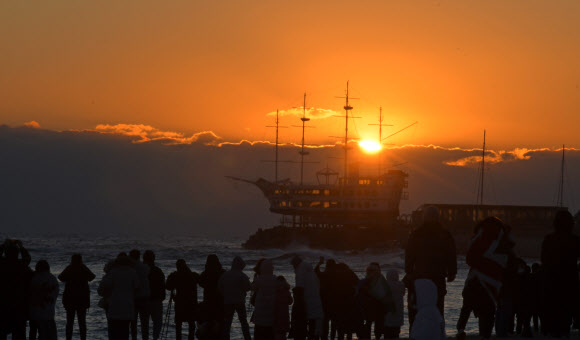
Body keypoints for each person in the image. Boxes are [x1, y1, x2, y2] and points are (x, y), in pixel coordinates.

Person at [458, 217, 511, 340]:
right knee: (488, 310)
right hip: (493, 281)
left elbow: (469, 258)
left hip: (474, 279)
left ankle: (461, 329)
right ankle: (485, 334)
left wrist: (480, 265)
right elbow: (506, 263)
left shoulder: (478, 237)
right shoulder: (502, 240)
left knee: (467, 306)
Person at [404, 206, 456, 327]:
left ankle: (417, 333)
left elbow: (409, 254)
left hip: (420, 276)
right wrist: (452, 272)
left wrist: (409, 271)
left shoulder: (416, 233)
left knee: (419, 307)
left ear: (424, 217)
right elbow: (451, 254)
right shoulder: (445, 234)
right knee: (437, 307)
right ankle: (436, 333)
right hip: (438, 276)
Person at [540, 210, 580, 337]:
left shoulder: (549, 239)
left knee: (553, 315)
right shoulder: (575, 240)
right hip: (569, 283)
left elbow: (544, 260)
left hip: (551, 283)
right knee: (565, 317)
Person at [99, 252, 140, 340]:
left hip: (114, 308)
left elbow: (101, 290)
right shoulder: (133, 273)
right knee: (125, 333)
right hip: (127, 308)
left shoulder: (112, 273)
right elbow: (137, 288)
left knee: (113, 334)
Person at [0, 239, 33, 340]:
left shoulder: (2, 265)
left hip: (3, 305)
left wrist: (3, 246)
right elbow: (27, 258)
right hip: (19, 306)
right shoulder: (21, 266)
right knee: (19, 334)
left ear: (6, 253)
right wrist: (21, 247)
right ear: (17, 254)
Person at [58, 253, 96, 340]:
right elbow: (92, 277)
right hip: (82, 299)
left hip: (70, 299)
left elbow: (60, 277)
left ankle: (69, 338)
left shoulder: (70, 268)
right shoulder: (83, 267)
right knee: (82, 322)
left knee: (69, 322)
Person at [218, 256, 252, 340]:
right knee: (243, 322)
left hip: (228, 302)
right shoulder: (242, 275)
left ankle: (226, 338)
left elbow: (220, 287)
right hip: (240, 301)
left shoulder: (225, 275)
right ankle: (247, 338)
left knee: (227, 323)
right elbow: (248, 288)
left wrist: (225, 295)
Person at [291, 256, 323, 340]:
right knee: (314, 329)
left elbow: (299, 289)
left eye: (293, 265)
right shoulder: (312, 273)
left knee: (303, 330)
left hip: (306, 305)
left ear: (296, 264)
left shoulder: (300, 271)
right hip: (316, 303)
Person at [166, 259, 200, 340]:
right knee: (191, 324)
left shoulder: (176, 276)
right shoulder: (193, 275)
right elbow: (202, 282)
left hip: (180, 304)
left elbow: (168, 286)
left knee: (178, 325)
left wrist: (170, 276)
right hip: (191, 304)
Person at [357, 263, 392, 340]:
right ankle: (377, 337)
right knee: (378, 324)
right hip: (378, 306)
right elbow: (387, 293)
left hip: (369, 306)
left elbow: (359, 294)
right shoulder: (381, 280)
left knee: (369, 323)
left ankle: (369, 337)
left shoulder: (365, 281)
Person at [29, 260, 59, 340]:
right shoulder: (52, 278)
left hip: (34, 313)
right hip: (49, 314)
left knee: (33, 334)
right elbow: (55, 295)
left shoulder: (33, 278)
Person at [199, 254, 226, 340]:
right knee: (219, 323)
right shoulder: (222, 272)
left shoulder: (205, 273)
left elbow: (200, 283)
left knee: (208, 323)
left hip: (208, 301)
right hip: (220, 302)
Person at [252, 259, 277, 340]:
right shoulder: (275, 279)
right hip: (271, 312)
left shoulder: (259, 279)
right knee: (270, 335)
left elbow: (252, 288)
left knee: (259, 335)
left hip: (259, 313)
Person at [142, 250, 165, 340]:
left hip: (144, 300)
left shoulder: (142, 272)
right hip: (156, 300)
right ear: (153, 259)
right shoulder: (158, 271)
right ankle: (155, 338)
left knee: (145, 324)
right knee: (157, 323)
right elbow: (162, 285)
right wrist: (162, 297)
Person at [129, 249, 151, 340]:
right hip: (144, 298)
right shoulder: (145, 267)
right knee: (145, 323)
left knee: (133, 324)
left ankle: (134, 338)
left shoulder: (130, 268)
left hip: (133, 298)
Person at [314, 258, 336, 340]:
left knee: (325, 321)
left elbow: (316, 272)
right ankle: (332, 337)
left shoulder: (324, 275)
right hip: (334, 301)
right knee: (334, 323)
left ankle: (324, 337)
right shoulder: (336, 276)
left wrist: (319, 264)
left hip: (324, 301)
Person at [384, 270, 405, 339]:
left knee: (387, 332)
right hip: (398, 314)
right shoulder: (401, 285)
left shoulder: (385, 286)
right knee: (396, 332)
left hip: (388, 313)